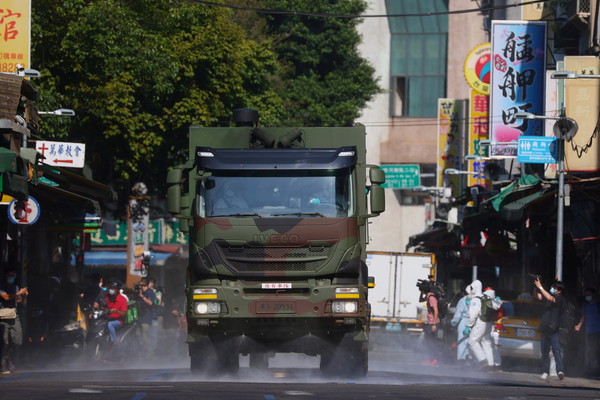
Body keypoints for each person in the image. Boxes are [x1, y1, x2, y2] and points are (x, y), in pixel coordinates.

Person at [534, 277, 565, 381]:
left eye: (554, 288)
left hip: (554, 330)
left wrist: (541, 287)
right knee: (544, 352)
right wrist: (536, 287)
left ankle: (560, 370)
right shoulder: (548, 297)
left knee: (556, 350)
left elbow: (550, 298)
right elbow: (538, 296)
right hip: (545, 328)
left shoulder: (560, 299)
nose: (552, 289)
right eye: (552, 287)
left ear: (559, 290)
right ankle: (545, 371)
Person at [0, 270, 28, 374]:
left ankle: (8, 357)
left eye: (13, 276)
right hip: (3, 316)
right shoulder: (1, 287)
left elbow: (18, 300)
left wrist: (24, 295)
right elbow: (6, 297)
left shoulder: (15, 287)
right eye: (10, 275)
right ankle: (2, 362)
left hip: (13, 315)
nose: (11, 278)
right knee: (4, 341)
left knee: (18, 340)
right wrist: (18, 293)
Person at [464, 279, 494, 370]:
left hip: (481, 323)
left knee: (472, 341)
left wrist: (468, 326)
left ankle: (483, 361)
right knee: (486, 343)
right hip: (488, 323)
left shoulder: (475, 300)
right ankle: (491, 364)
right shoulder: (485, 297)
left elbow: (472, 315)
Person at [574, 287, 600, 377]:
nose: (587, 296)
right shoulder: (585, 305)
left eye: (589, 294)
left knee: (595, 351)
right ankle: (590, 369)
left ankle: (595, 369)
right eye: (586, 295)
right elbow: (583, 317)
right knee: (589, 351)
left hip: (597, 331)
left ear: (593, 295)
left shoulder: (598, 304)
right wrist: (579, 325)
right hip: (588, 331)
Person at [419, 280, 440, 365]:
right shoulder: (428, 296)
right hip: (430, 322)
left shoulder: (431, 298)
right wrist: (421, 293)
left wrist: (434, 324)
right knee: (428, 341)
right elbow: (420, 300)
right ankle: (431, 358)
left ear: (424, 290)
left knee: (432, 342)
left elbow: (436, 311)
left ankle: (435, 359)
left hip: (433, 323)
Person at [450, 288, 470, 363]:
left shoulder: (463, 300)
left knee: (462, 342)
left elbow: (457, 315)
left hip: (464, 323)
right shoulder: (476, 299)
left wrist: (453, 324)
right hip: (475, 323)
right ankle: (469, 359)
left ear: (462, 292)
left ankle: (462, 359)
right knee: (471, 342)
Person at [136, 277, 156, 353]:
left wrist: (143, 297)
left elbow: (150, 303)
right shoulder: (141, 292)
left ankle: (149, 355)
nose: (141, 287)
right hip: (139, 318)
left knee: (146, 338)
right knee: (138, 337)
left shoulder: (150, 292)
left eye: (142, 286)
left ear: (146, 285)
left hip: (146, 319)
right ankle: (141, 353)